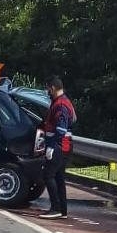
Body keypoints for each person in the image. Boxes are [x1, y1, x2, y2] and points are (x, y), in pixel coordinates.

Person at [39, 75, 77, 220]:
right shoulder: (63, 101)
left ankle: (55, 208)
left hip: (60, 145)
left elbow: (61, 129)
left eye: (48, 88)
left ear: (53, 88)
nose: (47, 91)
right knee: (59, 177)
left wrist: (53, 147)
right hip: (63, 144)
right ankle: (62, 210)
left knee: (48, 175)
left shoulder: (60, 104)